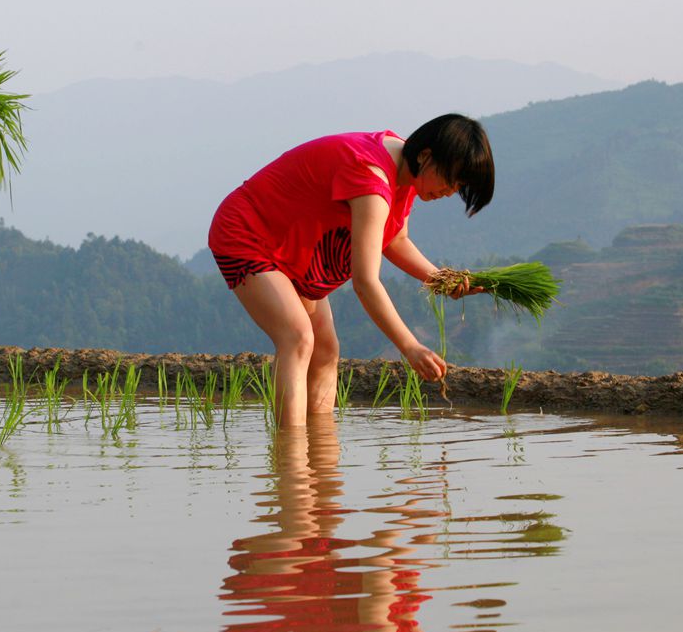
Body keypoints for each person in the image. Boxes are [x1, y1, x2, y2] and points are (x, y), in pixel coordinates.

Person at [208, 114, 494, 427]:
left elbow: (394, 239)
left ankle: (319, 457)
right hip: (248, 234)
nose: (451, 192)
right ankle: (291, 463)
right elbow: (366, 282)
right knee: (297, 337)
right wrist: (410, 347)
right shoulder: (373, 180)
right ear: (426, 156)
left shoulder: (407, 171)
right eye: (451, 180)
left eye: (459, 187)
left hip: (292, 247)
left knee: (326, 350)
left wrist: (441, 280)